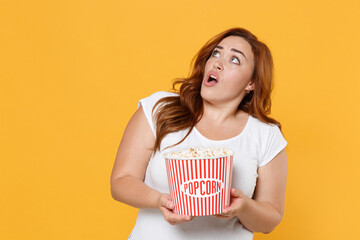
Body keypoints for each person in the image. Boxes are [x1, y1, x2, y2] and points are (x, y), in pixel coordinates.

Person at [110, 27, 288, 240]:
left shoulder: (266, 135)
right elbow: (121, 180)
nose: (218, 62)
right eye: (216, 53)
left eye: (234, 60)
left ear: (252, 83)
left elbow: (271, 218)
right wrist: (161, 200)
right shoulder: (159, 109)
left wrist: (241, 207)